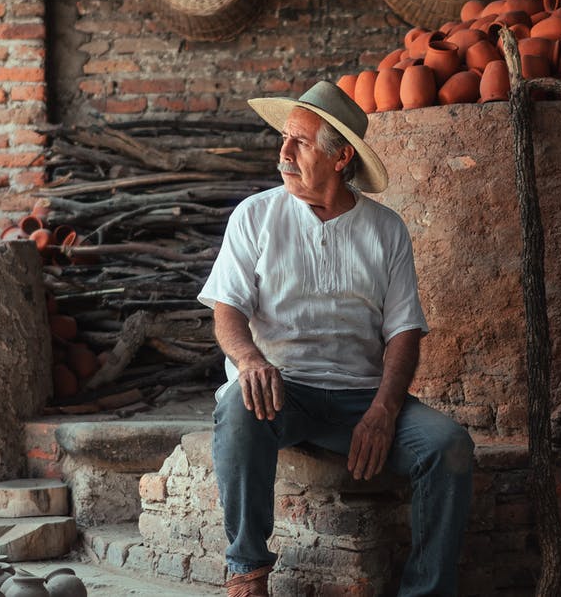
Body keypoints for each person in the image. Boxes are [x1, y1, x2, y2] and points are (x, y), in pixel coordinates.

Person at [198, 81, 474, 597]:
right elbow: (227, 308)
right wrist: (251, 360)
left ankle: (427, 591)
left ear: (341, 155)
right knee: (237, 406)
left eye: (299, 142)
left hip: (360, 398)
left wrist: (385, 409)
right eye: (285, 138)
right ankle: (247, 574)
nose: (283, 151)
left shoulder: (385, 229)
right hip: (280, 391)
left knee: (448, 446)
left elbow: (403, 332)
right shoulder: (255, 215)